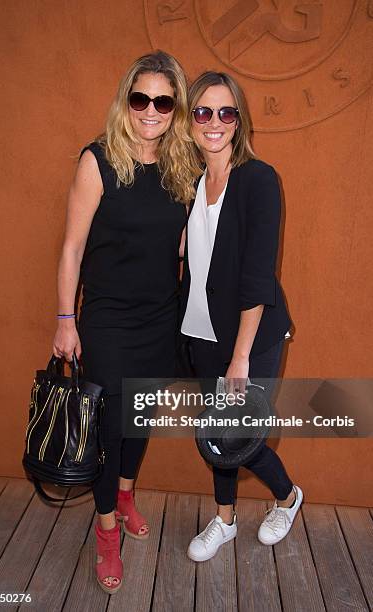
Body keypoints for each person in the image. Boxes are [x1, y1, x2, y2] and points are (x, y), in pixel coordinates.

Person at [52, 50, 196, 593]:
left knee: (140, 417)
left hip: (161, 317)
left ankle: (127, 491)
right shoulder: (99, 160)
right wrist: (67, 318)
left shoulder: (181, 165)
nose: (152, 111)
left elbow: (182, 244)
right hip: (108, 320)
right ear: (126, 102)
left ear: (175, 106)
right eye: (141, 99)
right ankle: (106, 530)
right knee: (111, 425)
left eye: (164, 100)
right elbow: (71, 247)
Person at [179, 71, 303, 562]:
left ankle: (288, 498)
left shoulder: (258, 179)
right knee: (217, 434)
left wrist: (241, 358)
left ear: (239, 121)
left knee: (238, 434)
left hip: (253, 333)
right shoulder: (190, 182)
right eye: (202, 112)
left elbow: (256, 276)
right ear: (190, 120)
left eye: (225, 112)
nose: (214, 122)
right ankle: (226, 520)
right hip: (203, 329)